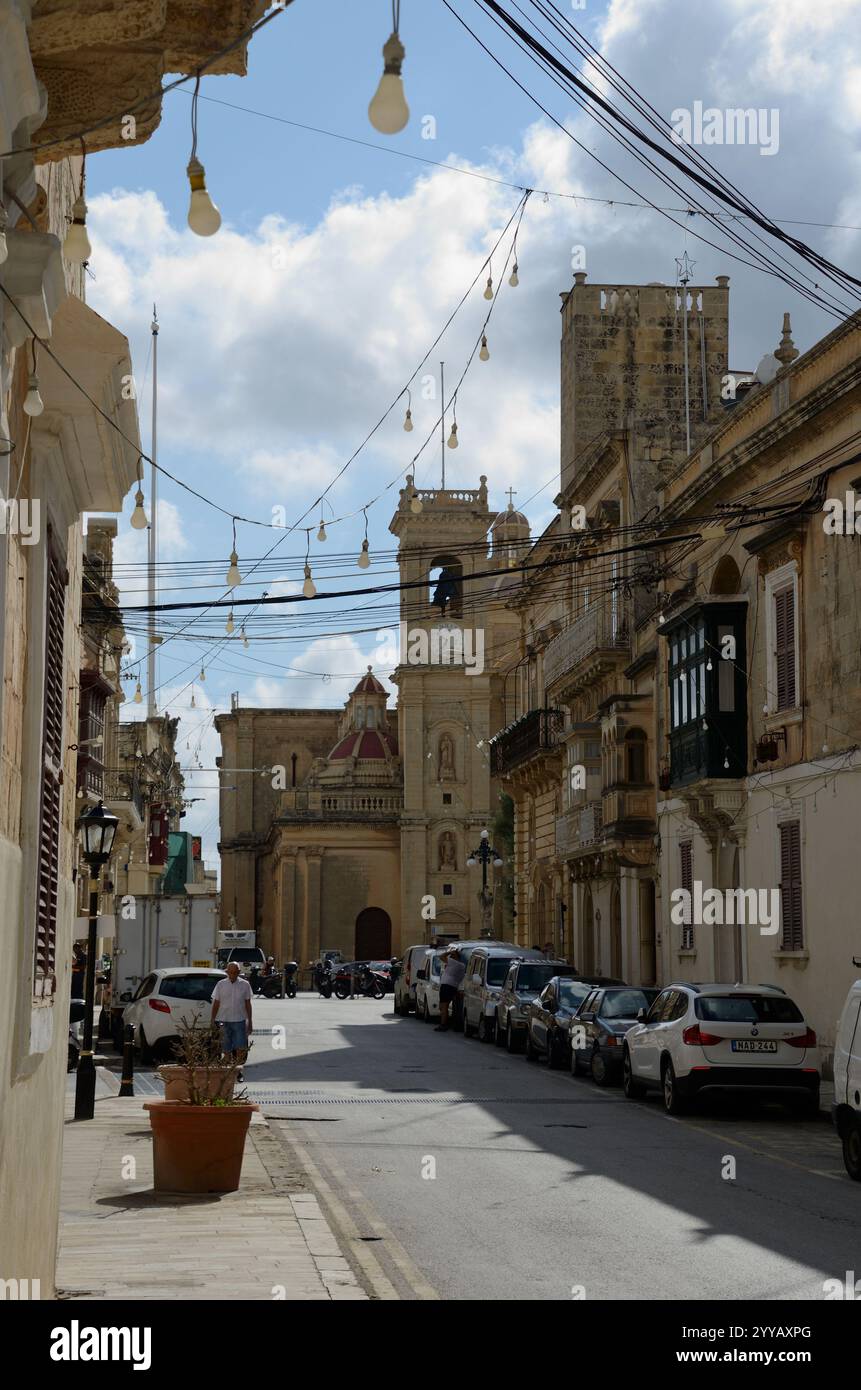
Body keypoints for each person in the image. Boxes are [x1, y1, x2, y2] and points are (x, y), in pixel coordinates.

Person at [211, 961, 253, 1077]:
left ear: (239, 972)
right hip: (223, 1020)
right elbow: (216, 1003)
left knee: (240, 1048)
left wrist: (250, 1022)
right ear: (227, 972)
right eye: (230, 972)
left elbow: (248, 1004)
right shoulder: (220, 984)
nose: (233, 975)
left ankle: (238, 1071)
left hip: (239, 1020)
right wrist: (212, 1019)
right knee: (226, 1048)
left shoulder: (245, 985)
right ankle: (227, 1072)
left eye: (235, 972)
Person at [435, 948, 466, 1032]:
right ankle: (445, 1023)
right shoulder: (462, 966)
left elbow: (441, 956)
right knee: (443, 1006)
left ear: (455, 956)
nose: (450, 957)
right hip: (453, 986)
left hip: (446, 985)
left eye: (452, 955)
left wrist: (448, 952)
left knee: (443, 1006)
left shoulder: (453, 962)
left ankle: (443, 1025)